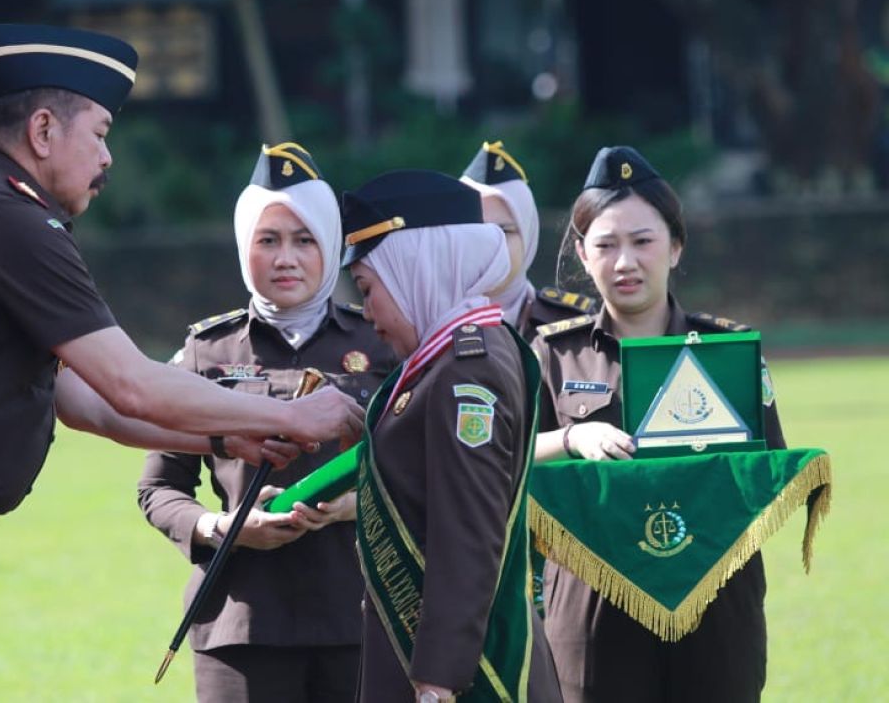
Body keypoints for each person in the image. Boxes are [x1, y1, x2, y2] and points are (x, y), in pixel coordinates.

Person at [0, 24, 364, 702]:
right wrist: (295, 415)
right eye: (98, 132)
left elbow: (88, 403)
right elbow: (130, 382)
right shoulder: (4, 216)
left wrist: (223, 436)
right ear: (42, 131)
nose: (107, 155)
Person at [137, 143, 396, 703]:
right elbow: (158, 488)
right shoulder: (206, 351)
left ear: (331, 244)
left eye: (305, 240)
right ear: (242, 246)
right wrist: (221, 527)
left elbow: (418, 469)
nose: (286, 259)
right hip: (241, 625)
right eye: (268, 240)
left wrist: (358, 505)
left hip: (360, 621)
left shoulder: (380, 343)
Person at [530, 145, 786, 703]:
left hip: (714, 599)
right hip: (593, 605)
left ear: (675, 246)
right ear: (581, 251)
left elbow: (767, 472)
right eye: (606, 244)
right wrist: (572, 438)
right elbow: (503, 461)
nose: (625, 262)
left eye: (643, 241)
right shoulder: (553, 355)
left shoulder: (726, 352)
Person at [341, 170, 562, 703]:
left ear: (416, 269)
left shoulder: (466, 369)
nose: (367, 312)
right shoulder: (462, 352)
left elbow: (468, 533)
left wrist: (438, 679)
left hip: (460, 675)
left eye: (369, 289)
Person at [459, 140, 597, 340]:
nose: (490, 245)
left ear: (528, 237)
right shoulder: (424, 324)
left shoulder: (573, 322)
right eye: (475, 232)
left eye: (503, 231)